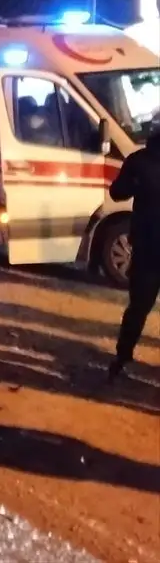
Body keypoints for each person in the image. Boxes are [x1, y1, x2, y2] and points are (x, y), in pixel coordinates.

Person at [108, 121, 160, 381]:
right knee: (138, 307)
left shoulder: (139, 160)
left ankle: (122, 358)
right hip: (147, 247)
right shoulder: (139, 161)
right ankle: (122, 358)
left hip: (147, 247)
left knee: (138, 308)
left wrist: (136, 184)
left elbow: (117, 192)